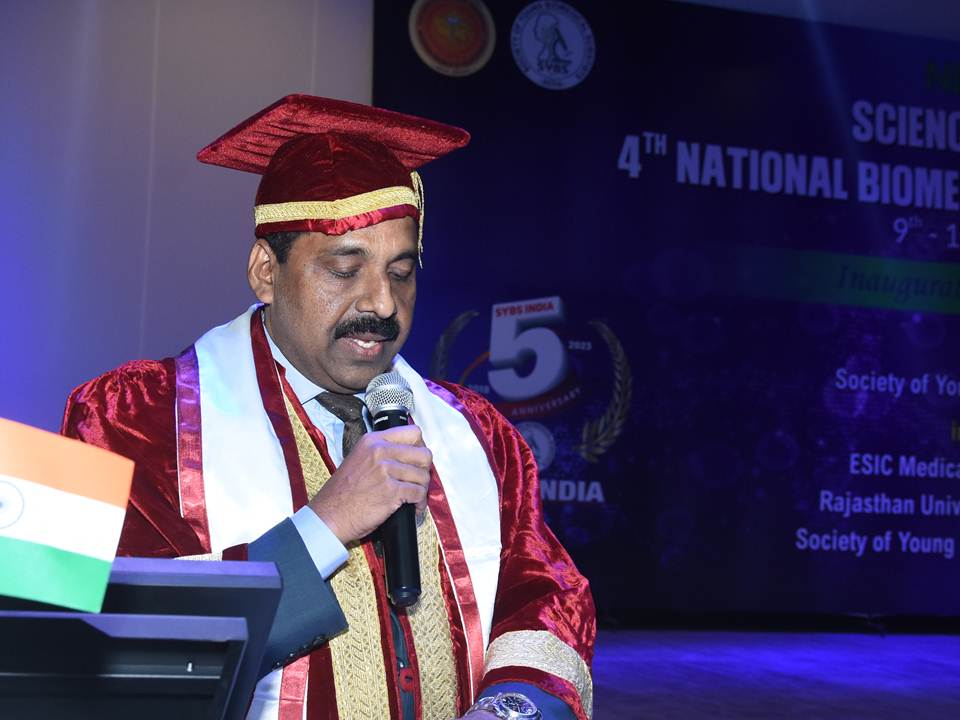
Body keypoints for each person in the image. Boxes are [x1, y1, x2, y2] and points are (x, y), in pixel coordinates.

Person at [62, 95, 595, 720]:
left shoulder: (476, 433)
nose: (383, 304)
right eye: (345, 270)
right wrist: (324, 525)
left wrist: (510, 708)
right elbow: (99, 642)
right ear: (266, 272)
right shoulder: (131, 421)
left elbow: (542, 599)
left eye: (401, 272)